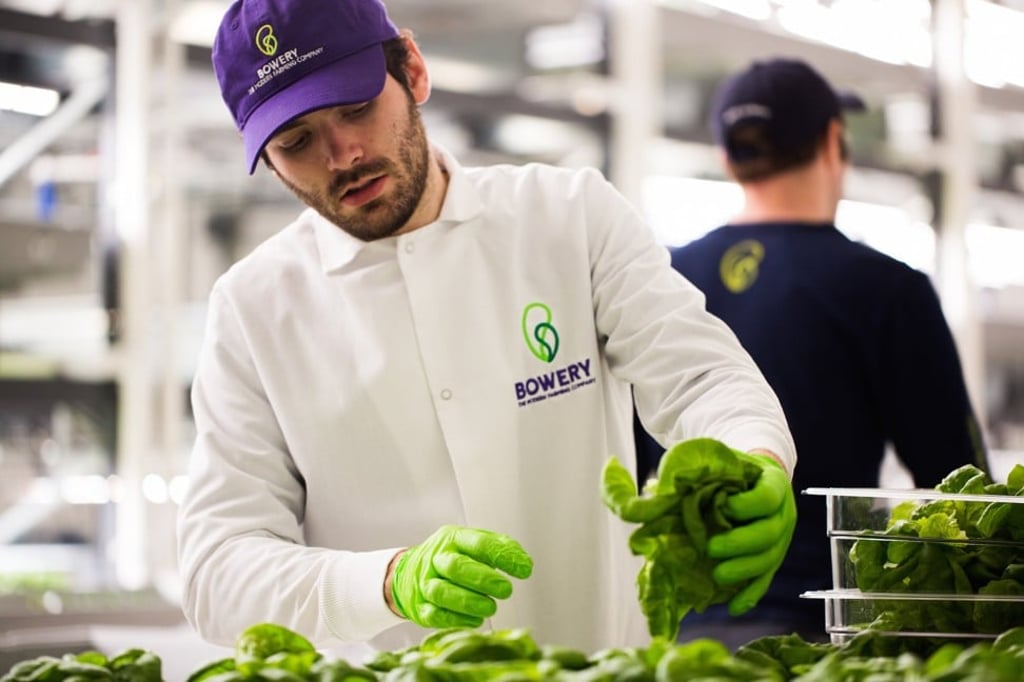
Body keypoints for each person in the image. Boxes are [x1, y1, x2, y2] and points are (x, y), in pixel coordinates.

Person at [176, 0, 799, 657]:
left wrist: (756, 454)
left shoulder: (568, 216)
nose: (342, 155)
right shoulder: (252, 310)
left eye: (356, 106)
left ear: (411, 69)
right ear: (268, 160)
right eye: (296, 141)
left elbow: (701, 376)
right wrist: (383, 584)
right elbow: (218, 571)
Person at [635, 57, 989, 647]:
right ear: (833, 141)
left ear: (729, 159)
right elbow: (961, 491)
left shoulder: (661, 281)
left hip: (679, 634)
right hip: (824, 636)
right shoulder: (886, 289)